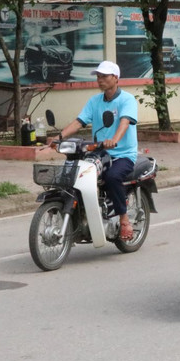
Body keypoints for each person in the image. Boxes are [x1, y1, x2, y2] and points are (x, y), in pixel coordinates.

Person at [49, 61, 138, 241]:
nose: (100, 80)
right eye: (98, 76)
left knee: (112, 177)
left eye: (104, 76)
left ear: (115, 78)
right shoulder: (94, 101)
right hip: (99, 152)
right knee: (75, 174)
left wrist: (114, 140)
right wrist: (59, 137)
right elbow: (79, 121)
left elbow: (124, 122)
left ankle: (124, 219)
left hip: (122, 154)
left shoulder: (127, 99)